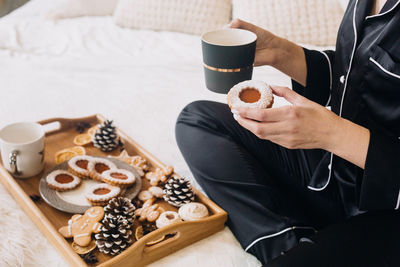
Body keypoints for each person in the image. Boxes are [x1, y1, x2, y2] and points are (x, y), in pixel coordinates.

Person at [175, 0, 400, 266]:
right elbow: (358, 78)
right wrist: (282, 52)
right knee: (199, 120)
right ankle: (288, 240)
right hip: (334, 174)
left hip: (387, 211)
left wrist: (334, 134)